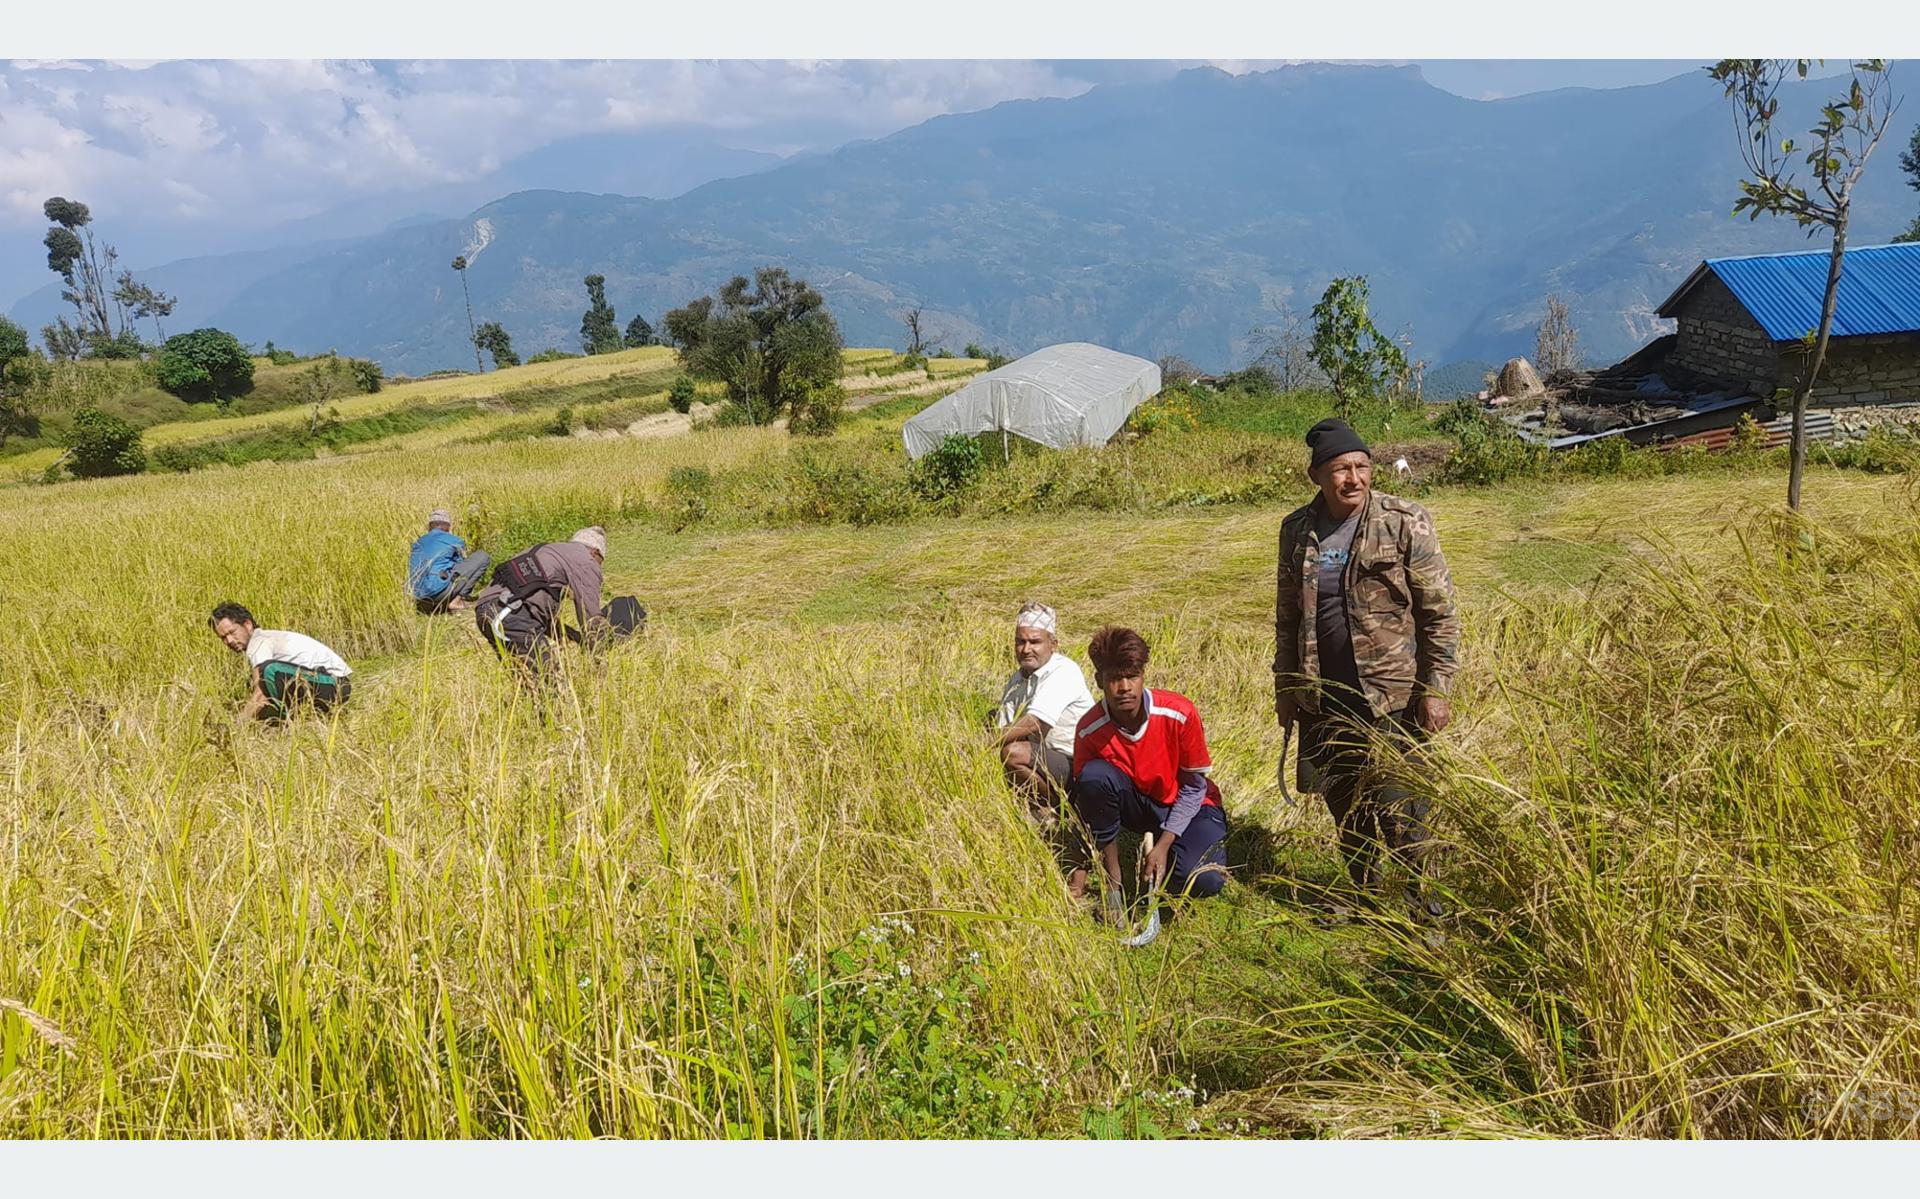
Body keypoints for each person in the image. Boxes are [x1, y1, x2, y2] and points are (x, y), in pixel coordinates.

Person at [1272, 417, 1461, 924]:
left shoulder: (1404, 521)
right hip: (1324, 695)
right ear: (1316, 475)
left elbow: (1439, 612)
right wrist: (1286, 685)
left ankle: (1425, 908)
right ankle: (1368, 897)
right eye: (1340, 469)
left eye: (1361, 466)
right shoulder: (1297, 530)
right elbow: (1287, 614)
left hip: (1392, 695)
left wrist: (1436, 687)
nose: (1353, 478)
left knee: (1403, 805)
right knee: (1345, 801)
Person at [1070, 625, 1230, 908]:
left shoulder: (1178, 713)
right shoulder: (1089, 730)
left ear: (1143, 676)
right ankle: (1116, 884)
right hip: (1139, 804)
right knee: (1094, 776)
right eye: (1114, 679)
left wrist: (1164, 845)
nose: (1124, 688)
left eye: (1132, 677)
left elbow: (1194, 788)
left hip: (1191, 804)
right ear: (1098, 680)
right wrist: (1083, 876)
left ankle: (1171, 854)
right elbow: (1089, 802)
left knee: (1206, 878)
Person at [994, 601, 1096, 893]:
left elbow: (1034, 723)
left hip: (1077, 761)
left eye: (1035, 642)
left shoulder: (1064, 671)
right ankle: (1047, 808)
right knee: (1008, 746)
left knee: (1011, 753)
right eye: (1020, 642)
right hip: (1047, 758)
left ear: (1053, 643)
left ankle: (1055, 808)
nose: (1026, 649)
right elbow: (1005, 723)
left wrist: (983, 744)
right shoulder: (1017, 679)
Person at [472, 525, 611, 674]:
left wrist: (574, 637)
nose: (598, 567)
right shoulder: (586, 560)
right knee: (550, 680)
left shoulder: (546, 551)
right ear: (595, 552)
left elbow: (532, 607)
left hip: (487, 612)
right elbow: (591, 616)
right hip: (510, 615)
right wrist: (600, 658)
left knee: (528, 682)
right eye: (600, 561)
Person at [208, 601, 353, 724]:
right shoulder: (266, 639)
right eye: (223, 638)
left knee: (268, 671)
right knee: (254, 680)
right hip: (331, 685)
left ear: (247, 625)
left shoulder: (259, 642)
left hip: (334, 684)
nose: (229, 641)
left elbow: (261, 693)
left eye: (232, 633)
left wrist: (237, 724)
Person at [408, 508, 492, 614]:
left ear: (430, 526)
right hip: (438, 592)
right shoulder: (455, 541)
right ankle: (457, 601)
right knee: (482, 556)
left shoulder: (417, 543)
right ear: (448, 526)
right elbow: (461, 565)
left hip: (418, 597)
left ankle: (430, 607)